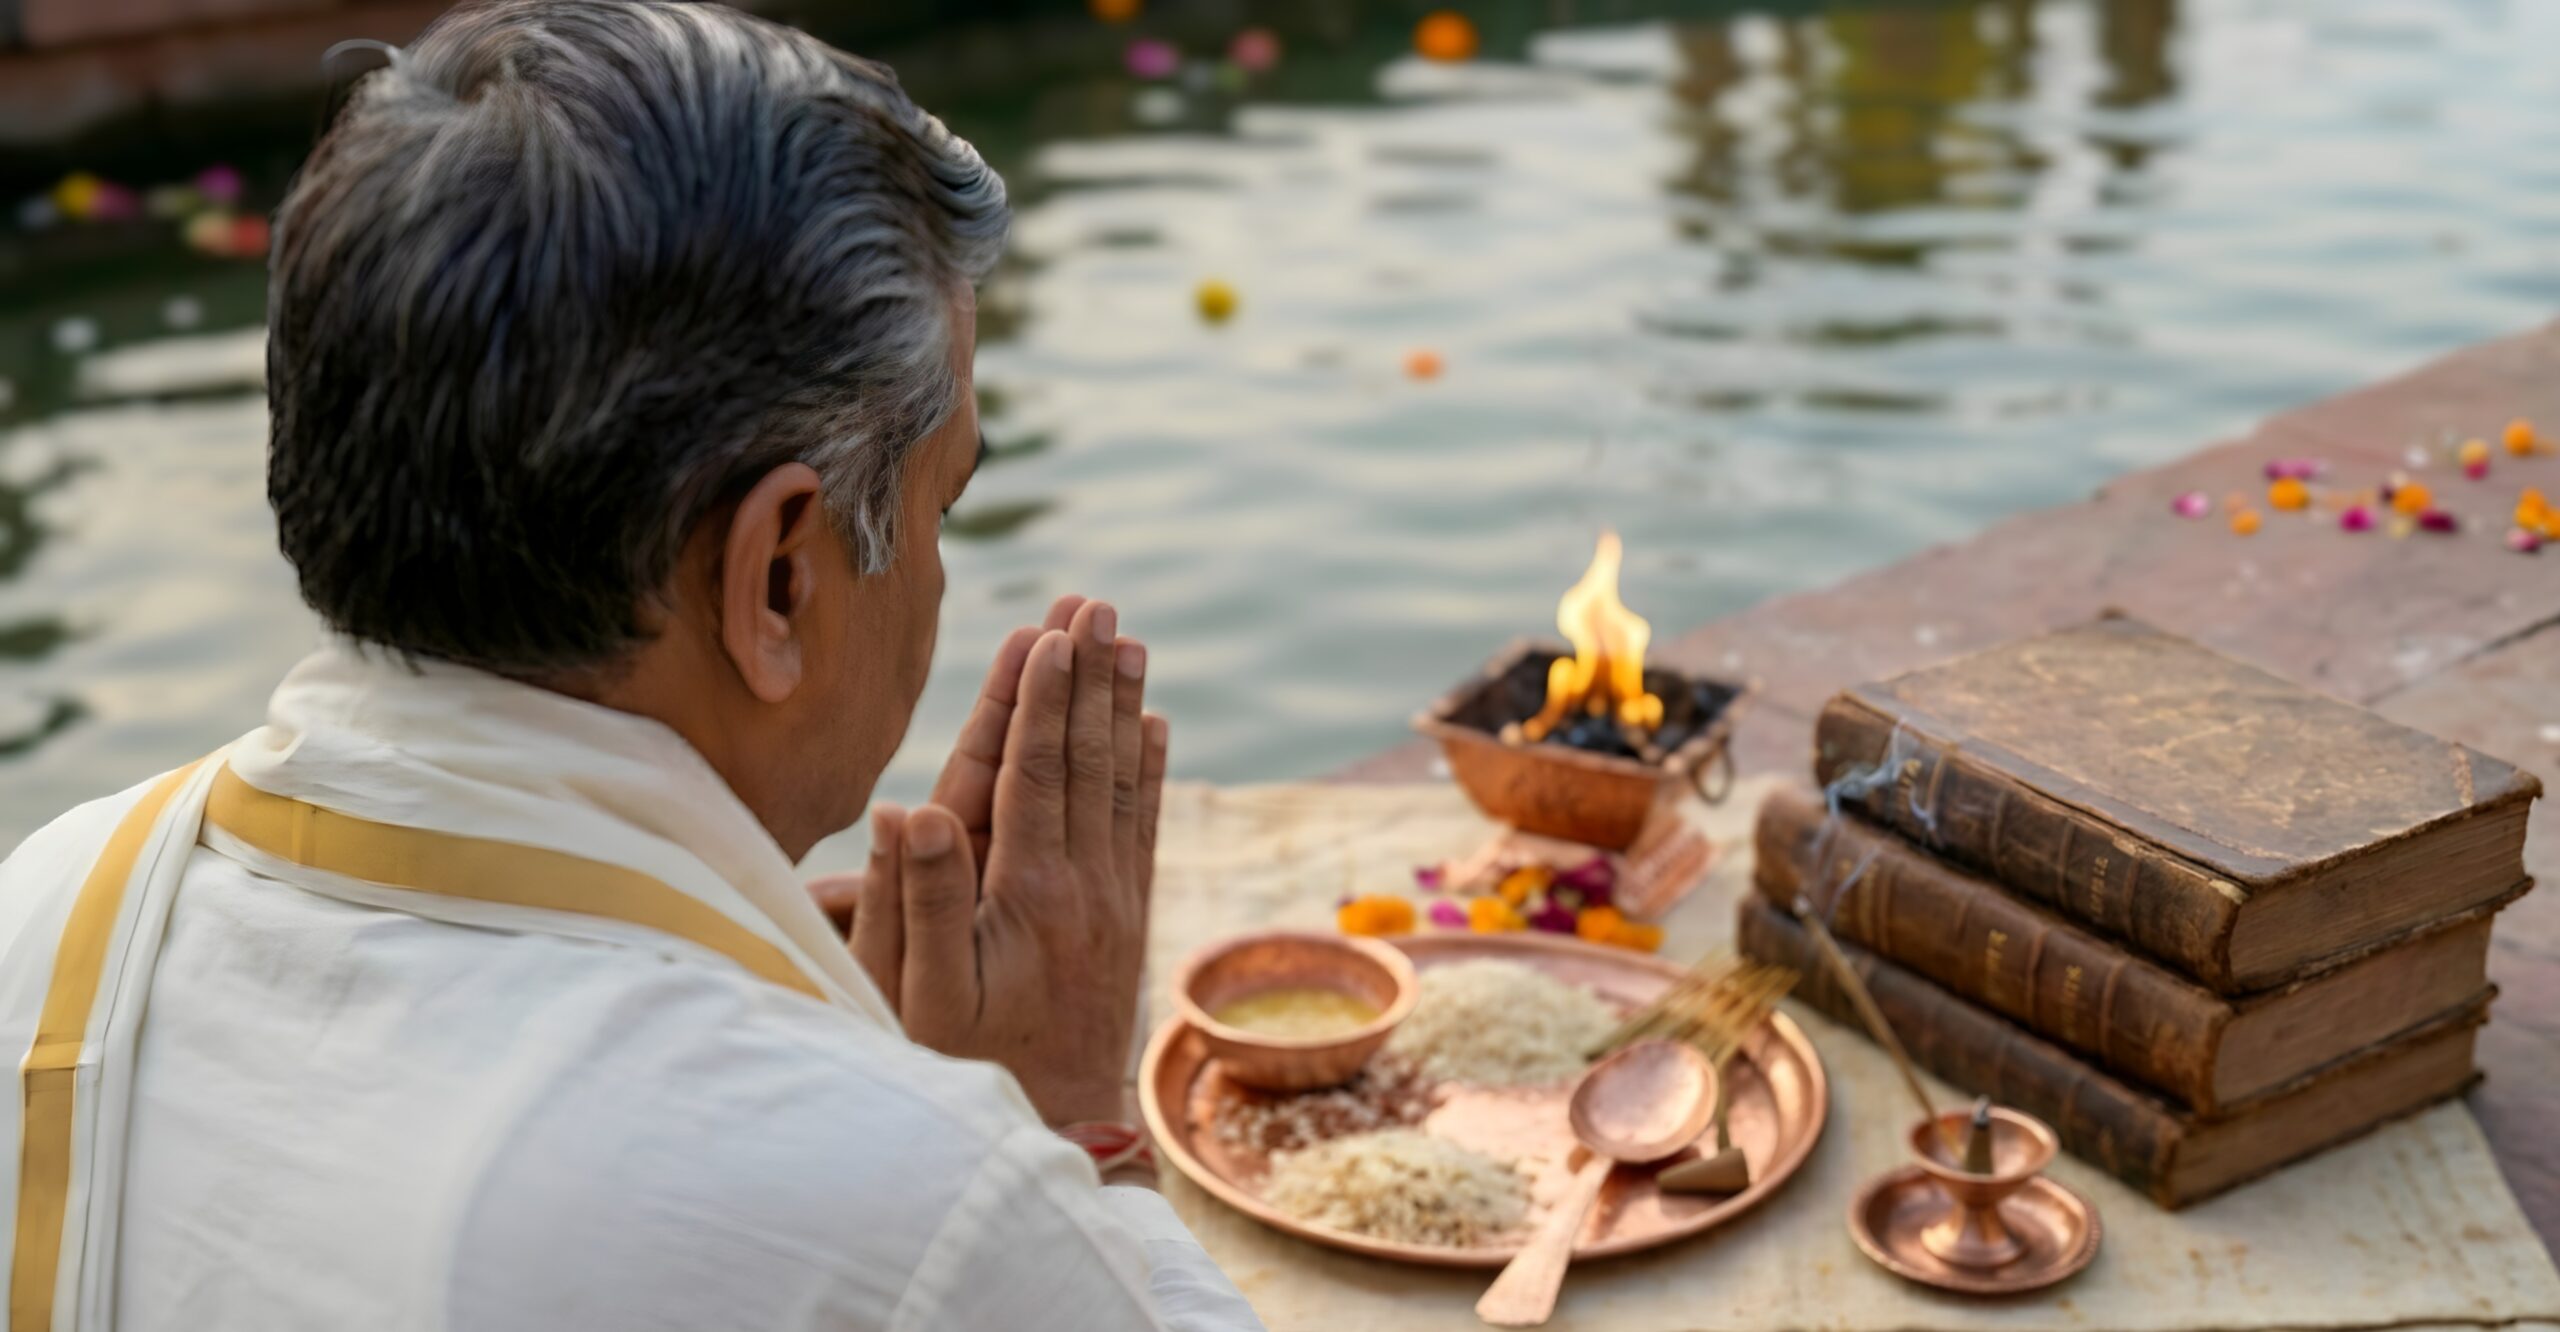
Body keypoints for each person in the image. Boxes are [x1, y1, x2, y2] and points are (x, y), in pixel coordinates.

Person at [0, 3, 1264, 1328]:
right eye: (938, 510)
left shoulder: (41, 917)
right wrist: (1062, 1123)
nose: (935, 576)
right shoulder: (898, 1208)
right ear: (779, 573)